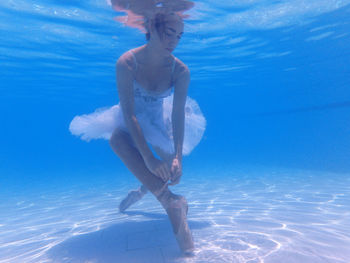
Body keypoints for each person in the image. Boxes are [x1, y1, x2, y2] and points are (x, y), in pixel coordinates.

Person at [69, 1, 205, 256]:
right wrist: (147, 157)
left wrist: (177, 157)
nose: (174, 41)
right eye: (169, 33)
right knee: (117, 141)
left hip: (157, 121)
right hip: (127, 119)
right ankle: (171, 202)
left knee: (173, 173)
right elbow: (129, 113)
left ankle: (143, 189)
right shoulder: (127, 62)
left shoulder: (181, 70)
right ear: (152, 28)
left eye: (179, 35)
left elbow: (177, 115)